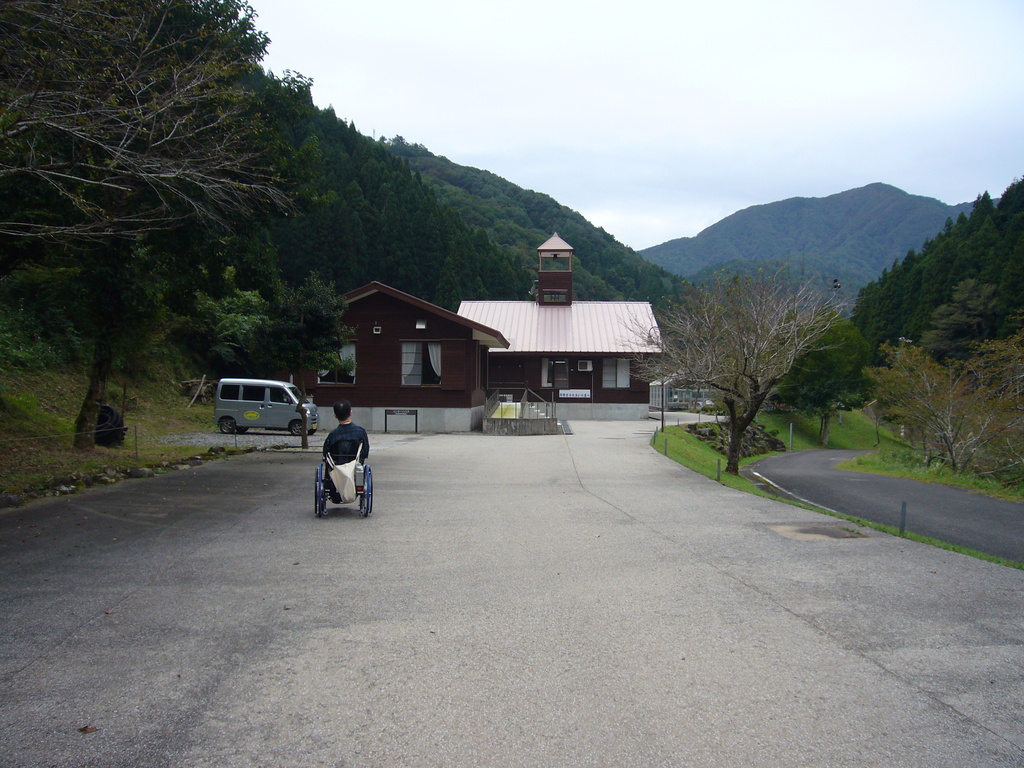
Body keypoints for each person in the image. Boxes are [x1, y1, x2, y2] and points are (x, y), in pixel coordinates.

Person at [322, 400, 370, 503]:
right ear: (351, 412)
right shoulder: (360, 432)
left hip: (336, 474)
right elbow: (365, 452)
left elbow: (325, 454)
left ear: (335, 415)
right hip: (355, 472)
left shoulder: (333, 435)